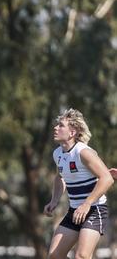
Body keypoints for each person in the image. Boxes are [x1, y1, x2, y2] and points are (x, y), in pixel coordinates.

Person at [43, 108, 113, 259]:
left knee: (81, 256)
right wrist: (54, 200)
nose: (56, 127)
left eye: (61, 125)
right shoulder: (58, 154)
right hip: (75, 211)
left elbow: (107, 178)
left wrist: (87, 203)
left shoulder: (83, 152)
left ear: (72, 132)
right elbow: (60, 177)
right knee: (55, 256)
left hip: (94, 209)